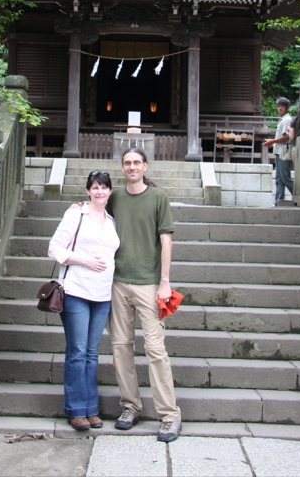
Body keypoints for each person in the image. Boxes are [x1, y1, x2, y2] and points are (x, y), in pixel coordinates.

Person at [107, 148, 182, 444]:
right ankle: (130, 406)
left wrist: (165, 282)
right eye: (127, 163)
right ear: (122, 168)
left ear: (145, 166)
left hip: (149, 284)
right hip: (117, 282)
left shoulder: (157, 197)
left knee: (155, 349)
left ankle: (169, 415)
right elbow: (97, 216)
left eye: (137, 163)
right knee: (121, 347)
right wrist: (80, 208)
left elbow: (166, 240)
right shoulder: (115, 197)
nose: (132, 167)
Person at [48, 170, 119, 432]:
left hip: (102, 294)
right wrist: (85, 260)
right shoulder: (75, 214)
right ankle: (76, 410)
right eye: (95, 187)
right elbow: (54, 248)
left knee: (91, 353)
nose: (100, 192)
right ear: (88, 190)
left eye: (104, 187)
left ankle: (91, 409)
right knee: (77, 352)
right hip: (76, 290)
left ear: (110, 191)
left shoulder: (112, 220)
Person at [263, 97, 293, 205]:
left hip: (284, 152)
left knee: (285, 178)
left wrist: (273, 140)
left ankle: (299, 196)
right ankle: (278, 202)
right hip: (279, 151)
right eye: (278, 106)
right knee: (279, 180)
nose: (280, 108)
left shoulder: (287, 119)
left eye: (282, 106)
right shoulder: (283, 119)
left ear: (286, 108)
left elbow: (286, 137)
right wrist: (273, 142)